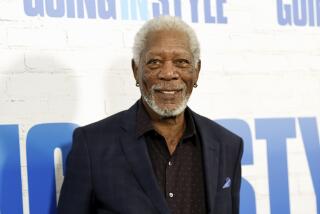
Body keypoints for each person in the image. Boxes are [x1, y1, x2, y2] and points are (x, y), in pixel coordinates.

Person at [57, 16, 243, 214]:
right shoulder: (91, 145)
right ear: (136, 70)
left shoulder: (227, 145)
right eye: (154, 62)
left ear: (196, 71)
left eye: (181, 62)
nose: (169, 73)